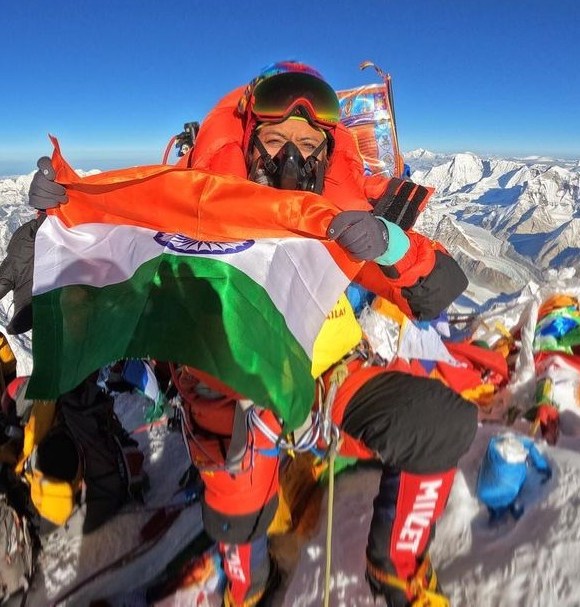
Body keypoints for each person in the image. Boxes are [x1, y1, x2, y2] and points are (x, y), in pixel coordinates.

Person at [27, 61, 478, 607]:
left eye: (308, 141)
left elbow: (436, 289)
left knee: (438, 424)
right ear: (247, 140)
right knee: (236, 523)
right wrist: (62, 217)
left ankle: (395, 570)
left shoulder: (336, 213)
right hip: (231, 400)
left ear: (328, 149)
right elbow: (123, 235)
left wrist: (394, 247)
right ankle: (249, 586)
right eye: (276, 138)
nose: (293, 155)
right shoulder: (192, 205)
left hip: (321, 377)